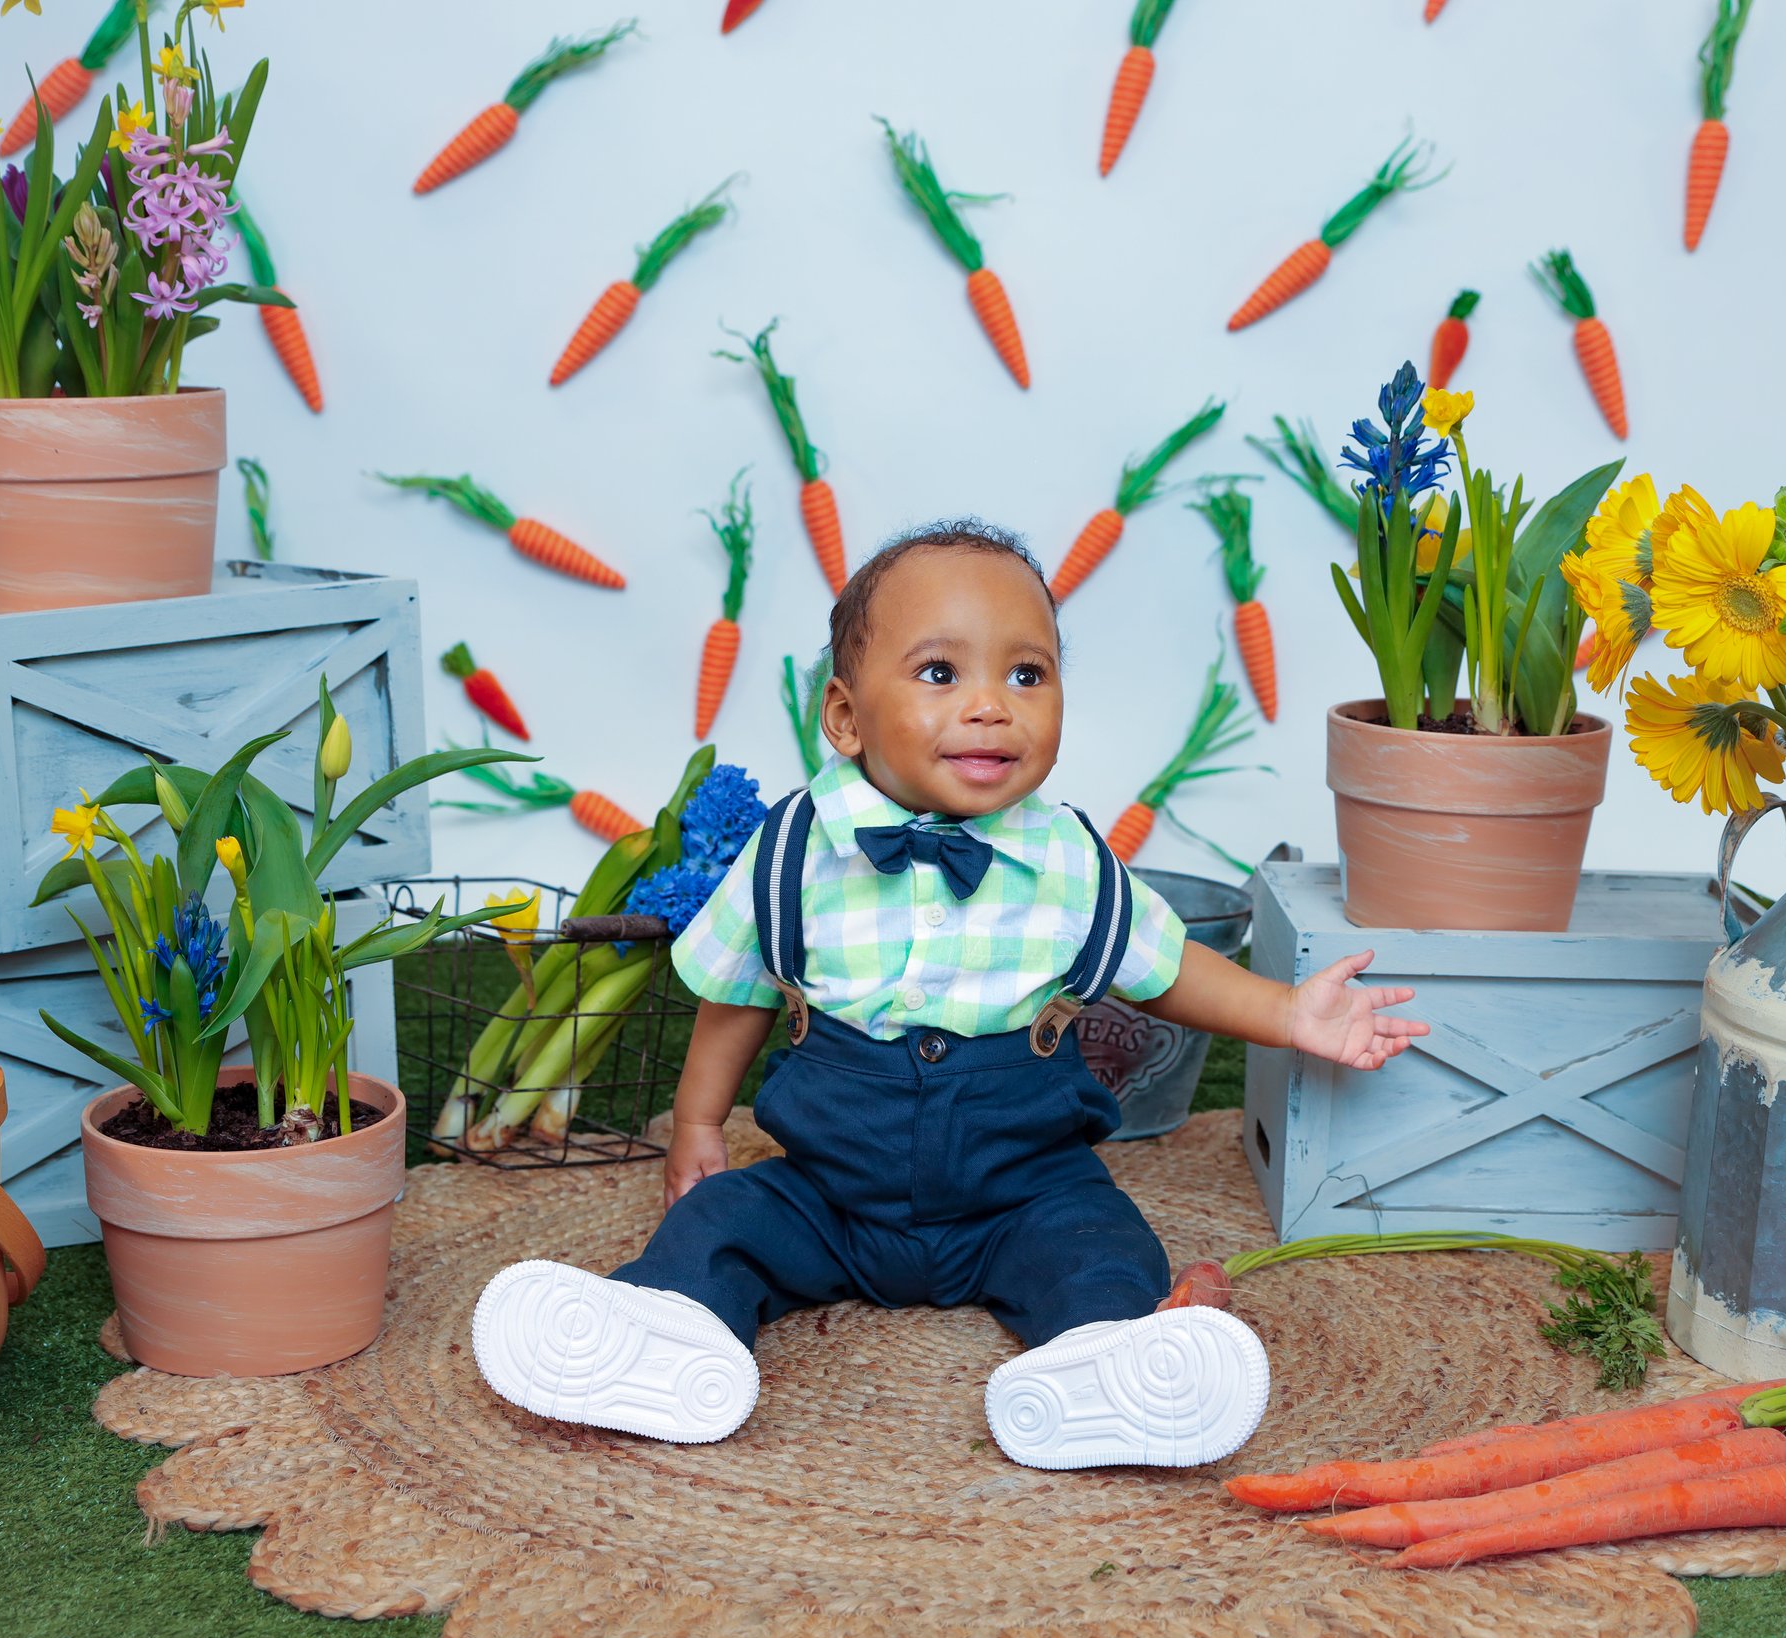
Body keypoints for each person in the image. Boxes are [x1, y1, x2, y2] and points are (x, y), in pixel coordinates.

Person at [471, 520, 1426, 1469]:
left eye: (1027, 674)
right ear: (845, 717)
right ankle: (663, 1333)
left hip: (1021, 1189)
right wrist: (697, 1125)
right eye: (940, 674)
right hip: (829, 1191)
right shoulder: (795, 848)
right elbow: (738, 992)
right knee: (717, 1226)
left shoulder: (1067, 857)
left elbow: (1169, 968)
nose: (991, 706)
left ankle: (1105, 1370)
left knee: (1106, 1247)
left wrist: (1290, 1013)